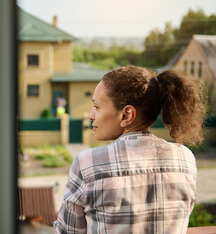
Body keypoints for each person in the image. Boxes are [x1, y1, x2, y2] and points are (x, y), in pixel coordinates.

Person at [54, 66, 206, 234]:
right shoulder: (185, 158)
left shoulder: (87, 163)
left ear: (126, 115)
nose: (91, 115)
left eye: (97, 107)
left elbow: (67, 231)